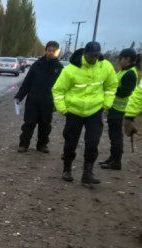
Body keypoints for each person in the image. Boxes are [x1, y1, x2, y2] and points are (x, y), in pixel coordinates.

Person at [52, 42, 118, 188]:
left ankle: (87, 174)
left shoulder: (105, 66)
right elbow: (58, 90)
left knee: (92, 142)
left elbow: (111, 86)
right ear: (85, 54)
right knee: (70, 142)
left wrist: (106, 104)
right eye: (91, 55)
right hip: (74, 112)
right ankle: (67, 169)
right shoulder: (71, 69)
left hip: (95, 111)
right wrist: (63, 109)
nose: (94, 58)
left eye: (96, 55)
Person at [15, 41, 63, 153]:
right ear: (46, 51)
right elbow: (27, 82)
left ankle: (42, 145)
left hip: (48, 101)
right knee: (29, 123)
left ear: (57, 52)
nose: (51, 53)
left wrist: (58, 103)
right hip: (33, 99)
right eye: (49, 50)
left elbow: (63, 88)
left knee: (45, 125)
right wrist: (19, 96)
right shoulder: (37, 65)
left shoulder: (59, 68)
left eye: (53, 51)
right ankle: (23, 144)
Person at [98, 48, 140, 169]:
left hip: (119, 110)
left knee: (116, 136)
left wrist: (110, 88)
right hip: (114, 109)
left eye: (120, 58)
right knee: (113, 135)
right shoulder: (123, 71)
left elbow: (124, 93)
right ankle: (113, 158)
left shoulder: (130, 73)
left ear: (127, 59)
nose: (119, 61)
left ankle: (116, 162)